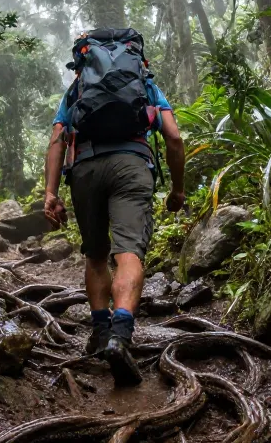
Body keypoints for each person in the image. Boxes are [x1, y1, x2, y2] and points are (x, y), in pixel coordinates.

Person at [42, 29, 186, 385]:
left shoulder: (76, 90)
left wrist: (50, 193)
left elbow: (58, 139)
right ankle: (120, 337)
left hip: (85, 170)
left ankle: (101, 330)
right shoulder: (146, 86)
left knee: (95, 255)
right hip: (132, 165)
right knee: (128, 254)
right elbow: (173, 137)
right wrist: (178, 189)